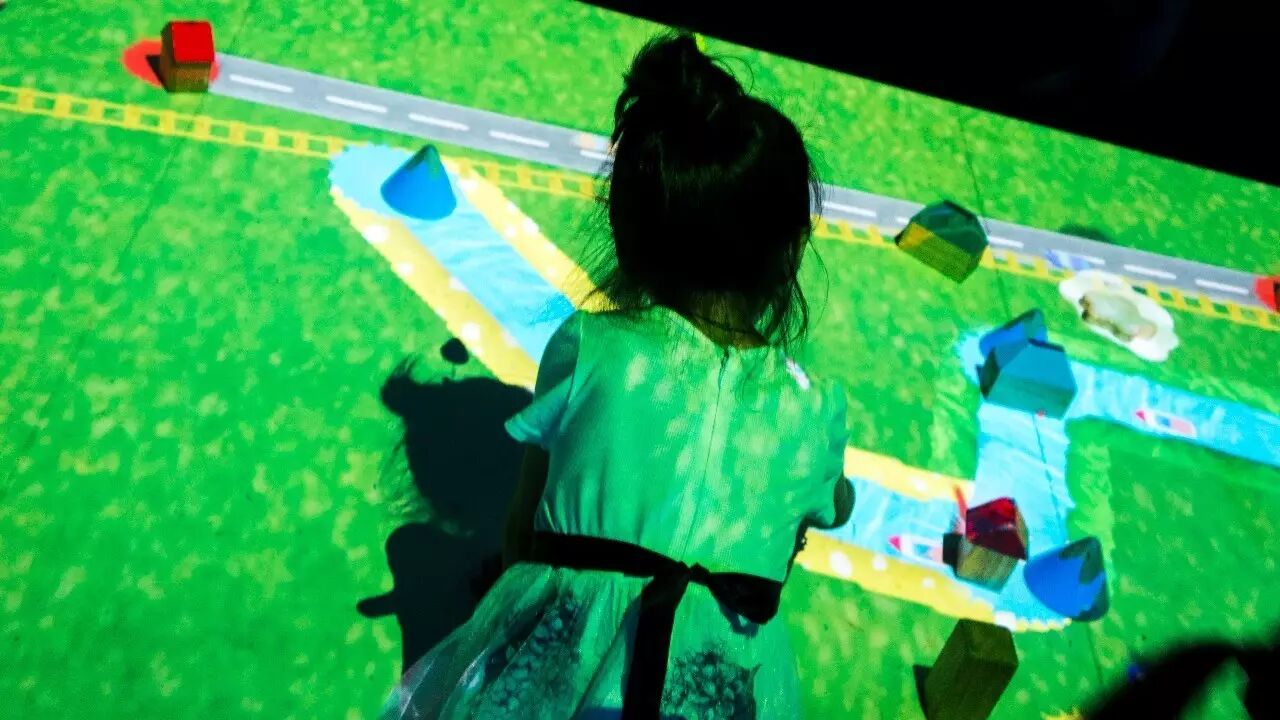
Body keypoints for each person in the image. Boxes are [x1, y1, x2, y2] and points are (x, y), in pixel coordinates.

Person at [379, 32, 854, 719]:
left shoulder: (591, 349)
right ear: (791, 253)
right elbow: (831, 504)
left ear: (628, 231)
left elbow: (521, 532)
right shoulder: (814, 412)